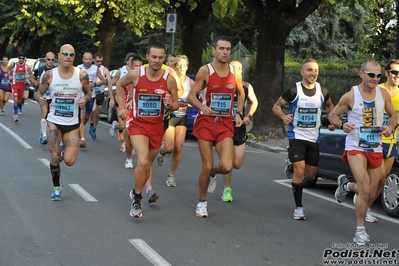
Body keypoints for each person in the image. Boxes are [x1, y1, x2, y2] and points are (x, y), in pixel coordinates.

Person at [328, 59, 397, 245]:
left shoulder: (383, 94)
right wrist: (342, 124)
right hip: (355, 146)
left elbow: (393, 114)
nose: (375, 79)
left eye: (378, 75)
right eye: (371, 75)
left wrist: (390, 126)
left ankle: (346, 186)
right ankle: (360, 231)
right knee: (365, 188)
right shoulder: (351, 96)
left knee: (371, 190)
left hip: (375, 146)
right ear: (361, 74)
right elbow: (332, 115)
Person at [116, 41, 179, 218]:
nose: (157, 60)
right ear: (147, 56)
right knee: (142, 162)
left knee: (147, 166)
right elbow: (120, 85)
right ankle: (137, 198)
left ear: (164, 57)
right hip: (137, 124)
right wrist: (121, 106)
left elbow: (176, 104)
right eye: (153, 57)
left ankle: (135, 191)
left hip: (157, 126)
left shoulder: (169, 79)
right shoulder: (136, 74)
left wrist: (169, 105)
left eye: (160, 57)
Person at [187, 36, 245, 218]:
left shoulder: (235, 71)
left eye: (228, 49)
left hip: (225, 123)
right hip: (206, 123)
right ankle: (202, 203)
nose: (225, 52)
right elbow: (191, 96)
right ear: (214, 50)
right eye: (221, 48)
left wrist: (238, 113)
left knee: (227, 166)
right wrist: (201, 106)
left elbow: (241, 93)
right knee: (207, 164)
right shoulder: (206, 71)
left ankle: (213, 173)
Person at [272, 59, 335, 220]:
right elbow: (276, 106)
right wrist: (283, 116)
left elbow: (329, 106)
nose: (313, 73)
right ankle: (299, 207)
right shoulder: (294, 90)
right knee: (300, 171)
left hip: (314, 138)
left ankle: (291, 164)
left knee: (311, 175)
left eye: (315, 70)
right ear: (302, 72)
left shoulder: (322, 90)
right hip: (297, 136)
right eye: (309, 70)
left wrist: (332, 120)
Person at [34, 44, 92, 200]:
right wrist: (40, 98)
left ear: (74, 57)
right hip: (54, 120)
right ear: (59, 56)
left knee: (69, 161)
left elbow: (89, 92)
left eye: (71, 54)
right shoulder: (50, 75)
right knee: (54, 157)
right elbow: (38, 92)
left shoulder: (81, 75)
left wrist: (84, 99)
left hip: (72, 124)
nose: (68, 56)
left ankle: (60, 151)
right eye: (65, 53)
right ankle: (57, 188)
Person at [218, 60, 258, 202]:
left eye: (239, 68)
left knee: (237, 164)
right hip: (223, 127)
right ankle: (227, 189)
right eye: (234, 68)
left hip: (239, 128)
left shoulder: (246, 86)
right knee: (227, 162)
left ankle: (213, 171)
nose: (236, 70)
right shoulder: (221, 83)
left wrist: (248, 116)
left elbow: (255, 102)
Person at [156, 54, 194, 187]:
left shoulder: (191, 82)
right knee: (169, 147)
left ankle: (171, 176)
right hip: (170, 116)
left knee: (178, 147)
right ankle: (162, 150)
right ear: (175, 66)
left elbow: (198, 97)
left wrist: (192, 102)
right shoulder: (170, 79)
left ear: (187, 67)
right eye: (179, 65)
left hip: (182, 116)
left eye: (184, 65)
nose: (181, 68)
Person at [76, 52, 105, 147]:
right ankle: (81, 136)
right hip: (80, 95)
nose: (87, 61)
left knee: (88, 115)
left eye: (89, 59)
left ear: (92, 60)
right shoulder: (78, 68)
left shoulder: (95, 69)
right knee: (81, 116)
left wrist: (95, 84)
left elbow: (103, 80)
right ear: (83, 59)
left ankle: (80, 130)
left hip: (91, 95)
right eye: (86, 59)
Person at [88, 52, 113, 140]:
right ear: (94, 60)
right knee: (93, 110)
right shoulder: (90, 69)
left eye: (101, 61)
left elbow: (109, 82)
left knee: (98, 114)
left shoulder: (105, 70)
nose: (99, 63)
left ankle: (94, 129)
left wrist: (111, 97)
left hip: (100, 93)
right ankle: (91, 124)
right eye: (98, 61)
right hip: (92, 92)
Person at [34, 52, 57, 144]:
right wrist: (35, 82)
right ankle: (44, 135)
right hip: (43, 96)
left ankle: (44, 131)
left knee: (51, 116)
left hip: (54, 96)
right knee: (45, 114)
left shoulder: (57, 70)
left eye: (52, 60)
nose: (50, 61)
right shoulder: (40, 70)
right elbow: (33, 77)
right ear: (45, 59)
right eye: (48, 59)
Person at [9, 52, 35, 122]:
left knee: (19, 100)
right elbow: (8, 69)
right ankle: (15, 115)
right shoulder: (14, 65)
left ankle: (17, 107)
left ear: (24, 59)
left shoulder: (26, 66)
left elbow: (31, 74)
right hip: (15, 84)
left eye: (22, 58)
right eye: (20, 58)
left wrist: (28, 77)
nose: (21, 59)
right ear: (18, 58)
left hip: (22, 85)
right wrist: (10, 75)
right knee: (16, 98)